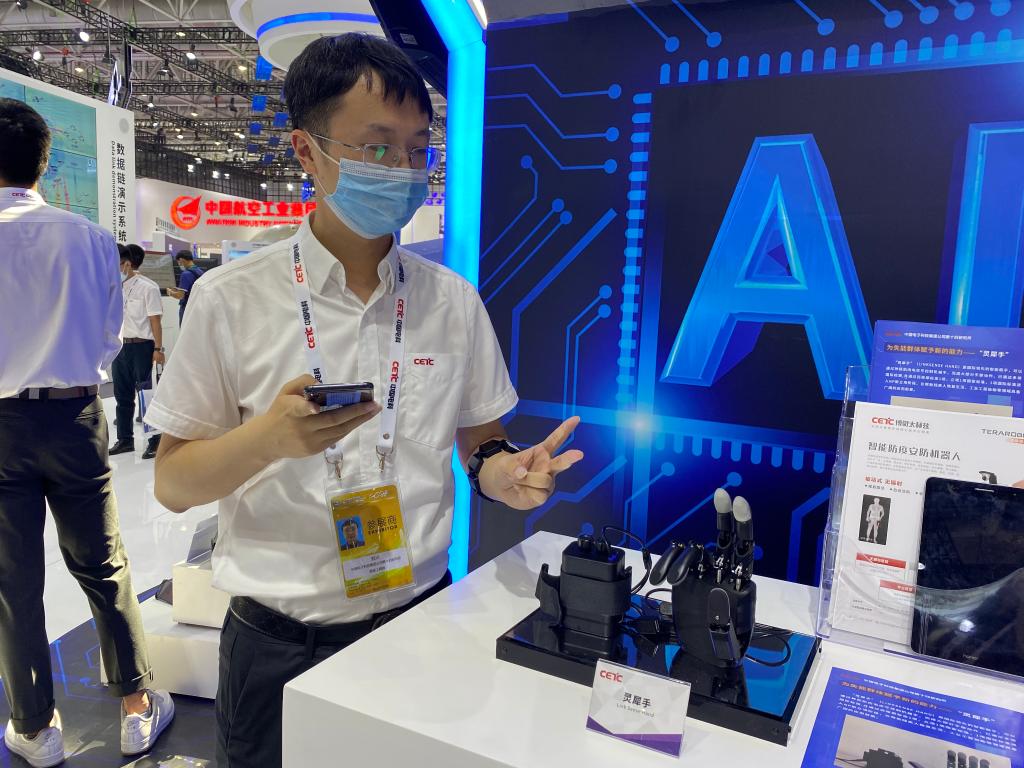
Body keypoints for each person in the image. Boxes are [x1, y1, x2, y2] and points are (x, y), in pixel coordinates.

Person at [146, 33, 584, 768]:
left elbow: (481, 441)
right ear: (307, 151)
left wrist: (504, 473)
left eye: (417, 150)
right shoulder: (229, 300)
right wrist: (267, 441)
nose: (404, 171)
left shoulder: (452, 301)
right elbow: (172, 482)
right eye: (378, 148)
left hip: (423, 626)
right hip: (281, 647)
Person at [0, 97, 174, 768]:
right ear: (44, 163)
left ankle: (35, 728)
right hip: (74, 415)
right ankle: (135, 707)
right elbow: (109, 336)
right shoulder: (92, 238)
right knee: (103, 563)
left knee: (12, 580)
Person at [110, 244, 165, 460]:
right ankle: (125, 440)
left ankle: (155, 440)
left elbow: (155, 321)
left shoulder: (148, 288)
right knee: (122, 395)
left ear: (127, 264)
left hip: (142, 347)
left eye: (116, 265)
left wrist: (158, 349)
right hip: (121, 347)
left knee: (146, 394)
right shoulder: (116, 287)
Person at [167, 249, 203, 325]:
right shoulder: (200, 271)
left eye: (178, 262)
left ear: (181, 260)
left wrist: (170, 292)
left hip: (187, 308)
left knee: (184, 330)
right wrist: (178, 289)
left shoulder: (185, 274)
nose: (179, 264)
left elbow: (180, 296)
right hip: (197, 308)